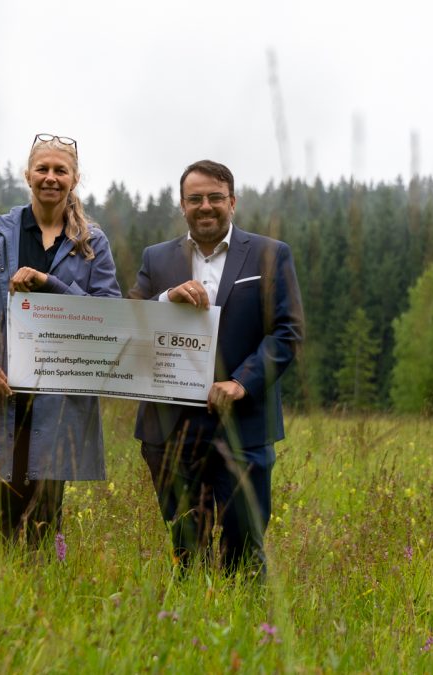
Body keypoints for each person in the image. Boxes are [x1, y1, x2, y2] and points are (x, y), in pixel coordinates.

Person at [129, 159, 304, 577]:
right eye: (195, 199)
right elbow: (129, 321)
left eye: (214, 197)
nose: (205, 206)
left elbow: (287, 332)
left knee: (245, 552)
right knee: (186, 550)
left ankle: (247, 618)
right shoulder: (156, 258)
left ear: (232, 202)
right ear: (182, 205)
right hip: (170, 429)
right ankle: (190, 616)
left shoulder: (270, 254)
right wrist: (166, 299)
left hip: (243, 424)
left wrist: (241, 382)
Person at [0, 134, 120, 548]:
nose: (51, 178)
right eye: (43, 169)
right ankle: (1, 583)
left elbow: (108, 316)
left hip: (59, 397)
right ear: (28, 175)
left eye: (61, 170)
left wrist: (49, 282)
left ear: (74, 178)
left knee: (45, 515)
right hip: (0, 392)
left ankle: (40, 582)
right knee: (1, 514)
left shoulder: (92, 243)